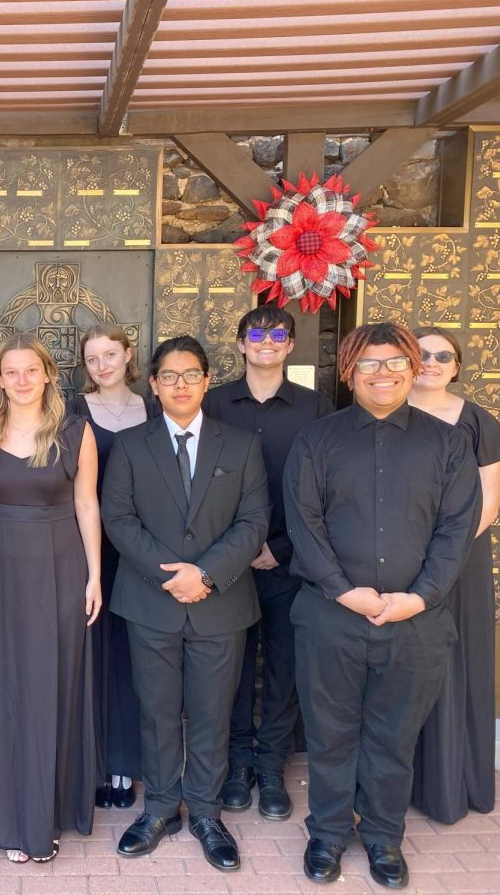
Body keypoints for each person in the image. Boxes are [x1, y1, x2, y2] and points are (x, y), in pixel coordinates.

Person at [284, 323, 481, 889]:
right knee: (330, 732)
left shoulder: (446, 443)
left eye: (395, 361)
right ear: (349, 371)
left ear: (413, 366)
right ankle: (325, 833)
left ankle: (382, 838)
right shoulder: (317, 441)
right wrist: (344, 590)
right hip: (329, 617)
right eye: (368, 363)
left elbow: (455, 531)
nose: (383, 373)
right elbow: (305, 523)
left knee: (393, 737)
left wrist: (417, 598)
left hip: (416, 624)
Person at [102, 335, 269, 873]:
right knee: (155, 712)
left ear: (205, 381)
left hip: (220, 603)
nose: (179, 384)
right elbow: (119, 519)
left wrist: (207, 574)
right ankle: (157, 809)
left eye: (190, 374)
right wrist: (171, 576)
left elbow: (253, 522)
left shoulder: (240, 445)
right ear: (153, 384)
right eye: (169, 376)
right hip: (151, 602)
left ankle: (203, 811)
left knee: (211, 714)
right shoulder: (130, 445)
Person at [202, 306, 334, 821]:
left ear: (290, 344)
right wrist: (232, 550)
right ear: (239, 343)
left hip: (290, 559)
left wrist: (280, 547)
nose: (266, 341)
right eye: (256, 333)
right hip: (226, 560)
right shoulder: (212, 404)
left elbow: (324, 489)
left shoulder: (316, 408)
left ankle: (271, 765)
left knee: (283, 666)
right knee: (230, 668)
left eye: (278, 334)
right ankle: (236, 764)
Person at [0, 332, 102, 864]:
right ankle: (9, 812)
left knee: (52, 683)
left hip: (60, 565)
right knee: (6, 684)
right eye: (12, 371)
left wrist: (95, 576)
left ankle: (44, 814)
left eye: (33, 370)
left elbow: (87, 506)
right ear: (0, 379)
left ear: (50, 374)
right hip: (2, 566)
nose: (22, 380)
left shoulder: (76, 432)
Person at [408, 326, 500, 825]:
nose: (430, 362)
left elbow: (488, 504)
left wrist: (437, 558)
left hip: (457, 564)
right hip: (395, 564)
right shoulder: (381, 412)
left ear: (456, 366)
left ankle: (451, 782)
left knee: (454, 662)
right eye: (421, 353)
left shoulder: (476, 421)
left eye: (441, 356)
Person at [67, 323, 147, 811]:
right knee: (90, 659)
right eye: (93, 358)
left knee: (132, 663)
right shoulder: (74, 413)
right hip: (86, 551)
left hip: (139, 553)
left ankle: (125, 764)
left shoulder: (153, 408)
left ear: (128, 355)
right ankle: (93, 763)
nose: (102, 365)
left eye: (110, 355)